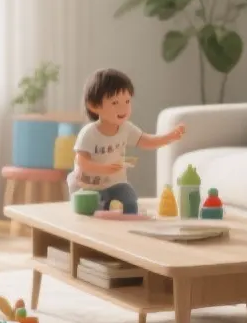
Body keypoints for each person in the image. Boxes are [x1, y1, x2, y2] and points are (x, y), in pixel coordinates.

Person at [70, 68, 185, 215]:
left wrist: (170, 137)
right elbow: (81, 162)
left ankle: (129, 223)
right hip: (89, 188)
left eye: (127, 101)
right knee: (97, 212)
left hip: (116, 183)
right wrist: (104, 169)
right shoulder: (89, 133)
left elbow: (147, 141)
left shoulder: (126, 128)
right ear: (94, 105)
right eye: (115, 102)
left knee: (129, 198)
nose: (123, 107)